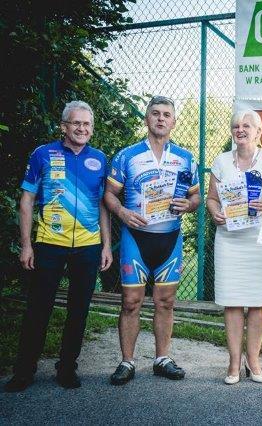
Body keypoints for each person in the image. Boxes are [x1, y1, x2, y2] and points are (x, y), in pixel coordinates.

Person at [4, 101, 112, 392]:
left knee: (79, 311)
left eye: (87, 124)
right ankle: (24, 371)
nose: (82, 129)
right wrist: (26, 245)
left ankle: (67, 368)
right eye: (76, 123)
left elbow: (104, 205)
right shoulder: (42, 154)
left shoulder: (100, 159)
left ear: (92, 129)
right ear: (64, 126)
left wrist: (106, 246)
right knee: (38, 309)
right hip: (49, 244)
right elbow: (26, 201)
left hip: (88, 245)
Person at [104, 96, 200, 385]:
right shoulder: (127, 155)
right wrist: (122, 212)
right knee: (131, 302)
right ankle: (127, 361)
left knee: (166, 302)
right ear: (146, 119)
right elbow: (109, 194)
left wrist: (189, 205)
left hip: (169, 239)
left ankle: (162, 359)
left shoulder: (185, 157)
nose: (161, 118)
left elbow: (196, 196)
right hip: (136, 238)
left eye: (166, 114)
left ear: (174, 121)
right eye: (155, 113)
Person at [205, 109, 262, 384]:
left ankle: (253, 361)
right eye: (236, 126)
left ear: (258, 132)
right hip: (230, 241)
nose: (240, 129)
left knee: (260, 303)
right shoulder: (221, 161)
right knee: (232, 302)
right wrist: (215, 212)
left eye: (246, 126)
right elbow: (211, 199)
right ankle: (233, 363)